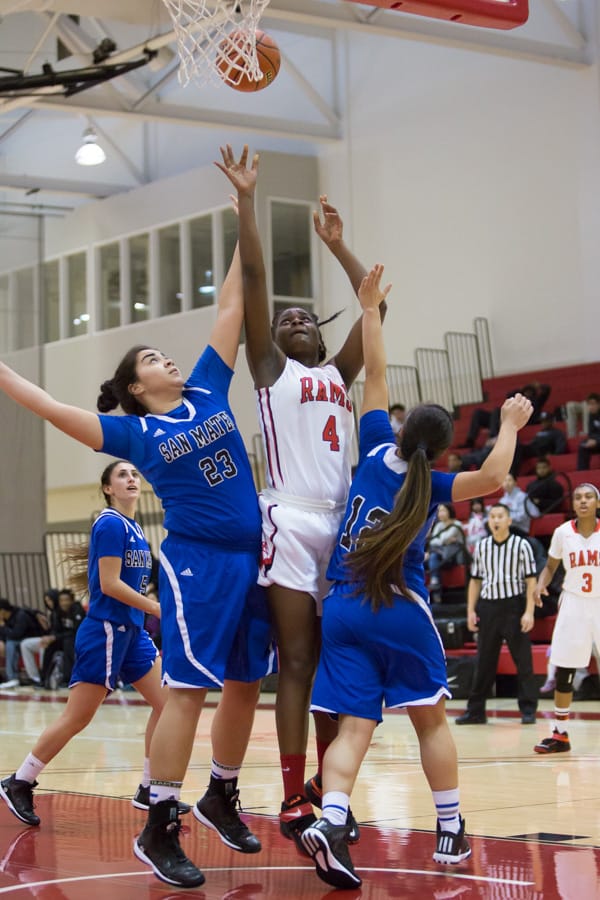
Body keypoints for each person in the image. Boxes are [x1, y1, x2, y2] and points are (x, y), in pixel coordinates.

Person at [0, 227, 273, 889]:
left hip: (251, 558)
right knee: (186, 693)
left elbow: (232, 307)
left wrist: (245, 211)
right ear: (134, 384)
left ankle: (221, 794)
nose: (167, 359)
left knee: (245, 683)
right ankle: (158, 820)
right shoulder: (135, 432)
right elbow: (47, 405)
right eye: (152, 356)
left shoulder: (208, 391)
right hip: (198, 563)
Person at [298, 263, 533, 889]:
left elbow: (374, 372)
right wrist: (508, 427)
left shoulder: (375, 445)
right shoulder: (434, 484)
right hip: (399, 608)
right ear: (442, 450)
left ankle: (334, 814)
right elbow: (494, 480)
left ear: (401, 431)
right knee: (429, 718)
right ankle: (450, 828)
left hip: (343, 606)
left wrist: (369, 309)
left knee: (354, 726)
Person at [217, 144, 383, 848]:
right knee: (298, 658)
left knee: (331, 667)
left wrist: (341, 249)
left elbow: (375, 304)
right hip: (287, 518)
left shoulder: (340, 375)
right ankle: (291, 796)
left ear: (320, 335)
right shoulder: (269, 372)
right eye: (283, 319)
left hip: (340, 529)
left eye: (303, 318)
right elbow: (253, 278)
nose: (292, 320)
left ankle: (327, 790)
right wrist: (248, 204)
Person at [0, 460, 179, 830]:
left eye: (134, 474)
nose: (131, 479)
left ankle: (150, 787)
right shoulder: (111, 523)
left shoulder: (135, 529)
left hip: (132, 634)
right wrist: (158, 608)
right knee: (78, 716)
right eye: (122, 475)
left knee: (169, 702)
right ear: (108, 488)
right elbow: (110, 584)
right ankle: (20, 780)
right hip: (107, 631)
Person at [455, 503, 538, 726]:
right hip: (488, 606)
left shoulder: (522, 545)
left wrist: (529, 611)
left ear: (509, 520)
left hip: (514, 606)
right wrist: (471, 610)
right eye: (492, 516)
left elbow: (532, 581)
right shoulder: (481, 547)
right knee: (484, 662)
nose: (496, 520)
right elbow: (475, 581)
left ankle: (528, 709)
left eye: (500, 516)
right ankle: (475, 711)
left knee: (523, 661)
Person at [534, 483, 600, 754]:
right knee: (565, 669)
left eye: (588, 497)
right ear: (572, 504)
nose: (583, 501)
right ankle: (560, 734)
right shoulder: (563, 533)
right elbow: (550, 567)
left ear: (597, 502)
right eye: (578, 498)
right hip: (573, 603)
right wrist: (540, 584)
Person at [461, 383, 549, 450]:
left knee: (496, 411)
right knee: (479, 413)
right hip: (504, 419)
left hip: (520, 419)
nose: (527, 393)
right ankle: (470, 440)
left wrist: (538, 386)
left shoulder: (537, 401)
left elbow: (547, 390)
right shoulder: (517, 398)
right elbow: (509, 395)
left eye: (530, 392)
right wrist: (521, 390)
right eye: (526, 391)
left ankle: (493, 436)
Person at [38, 588, 86, 689]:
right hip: (65, 638)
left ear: (71, 600)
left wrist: (55, 637)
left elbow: (77, 631)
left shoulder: (77, 609)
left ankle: (68, 678)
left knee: (68, 642)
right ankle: (44, 679)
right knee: (50, 645)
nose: (64, 603)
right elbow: (57, 631)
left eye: (66, 600)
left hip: (80, 638)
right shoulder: (57, 612)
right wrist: (50, 638)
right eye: (61, 600)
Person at [17, 589, 59, 687]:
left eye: (50, 600)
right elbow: (24, 608)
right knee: (25, 644)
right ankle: (35, 678)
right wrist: (45, 627)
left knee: (44, 646)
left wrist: (51, 637)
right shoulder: (51, 614)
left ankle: (44, 675)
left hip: (58, 640)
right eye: (46, 600)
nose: (48, 603)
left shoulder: (60, 611)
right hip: (50, 638)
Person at [0, 599, 47, 689]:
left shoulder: (20, 615)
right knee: (9, 643)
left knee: (11, 643)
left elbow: (16, 634)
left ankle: (12, 678)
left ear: (2, 611)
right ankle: (9, 677)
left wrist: (3, 626)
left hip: (33, 638)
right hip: (20, 641)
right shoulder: (6, 619)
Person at [426, 503, 468, 601]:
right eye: (439, 511)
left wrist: (442, 540)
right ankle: (436, 590)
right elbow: (433, 541)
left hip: (453, 556)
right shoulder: (439, 525)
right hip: (441, 555)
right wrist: (443, 541)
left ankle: (435, 586)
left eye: (443, 511)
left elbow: (441, 539)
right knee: (433, 557)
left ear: (449, 511)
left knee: (433, 556)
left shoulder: (457, 524)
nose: (440, 514)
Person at [577, 394, 600, 470]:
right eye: (589, 404)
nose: (591, 407)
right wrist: (591, 440)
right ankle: (582, 473)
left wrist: (596, 441)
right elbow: (591, 432)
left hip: (598, 441)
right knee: (583, 446)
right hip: (597, 441)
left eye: (593, 404)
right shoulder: (591, 415)